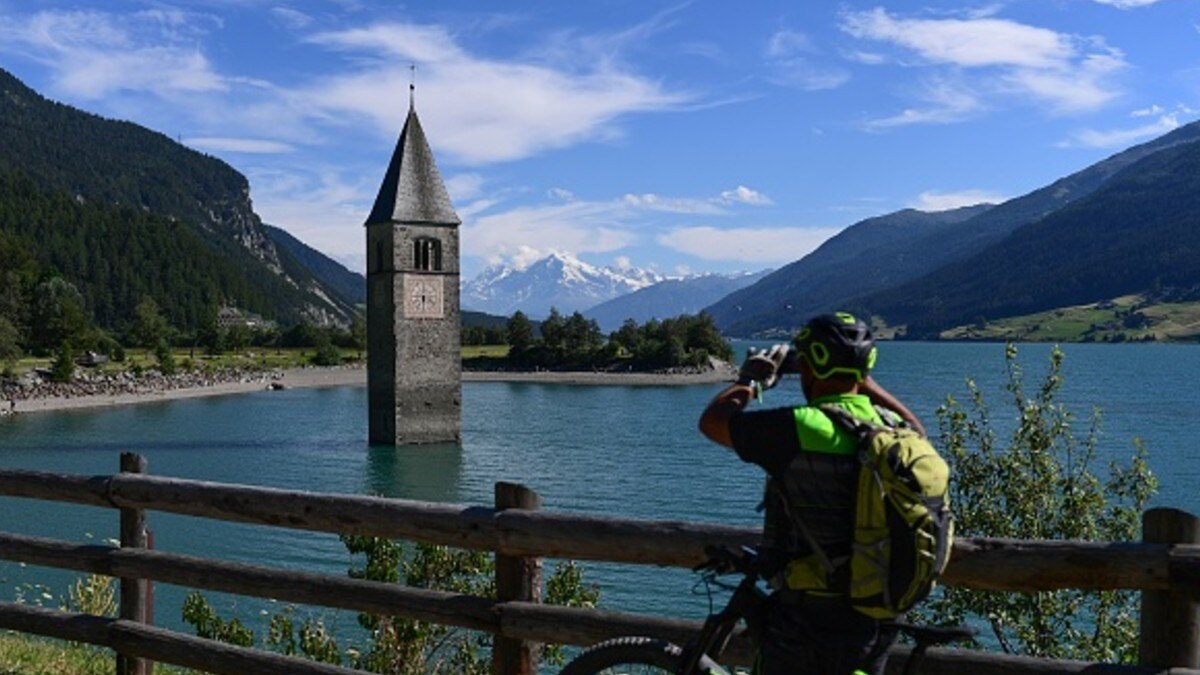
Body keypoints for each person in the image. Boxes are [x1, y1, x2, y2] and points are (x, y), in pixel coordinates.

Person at [698, 312, 924, 675]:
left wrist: (752, 381)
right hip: (878, 612)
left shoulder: (801, 427)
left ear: (809, 366)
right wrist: (858, 377)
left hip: (810, 618)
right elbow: (917, 427)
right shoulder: (893, 431)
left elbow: (713, 422)